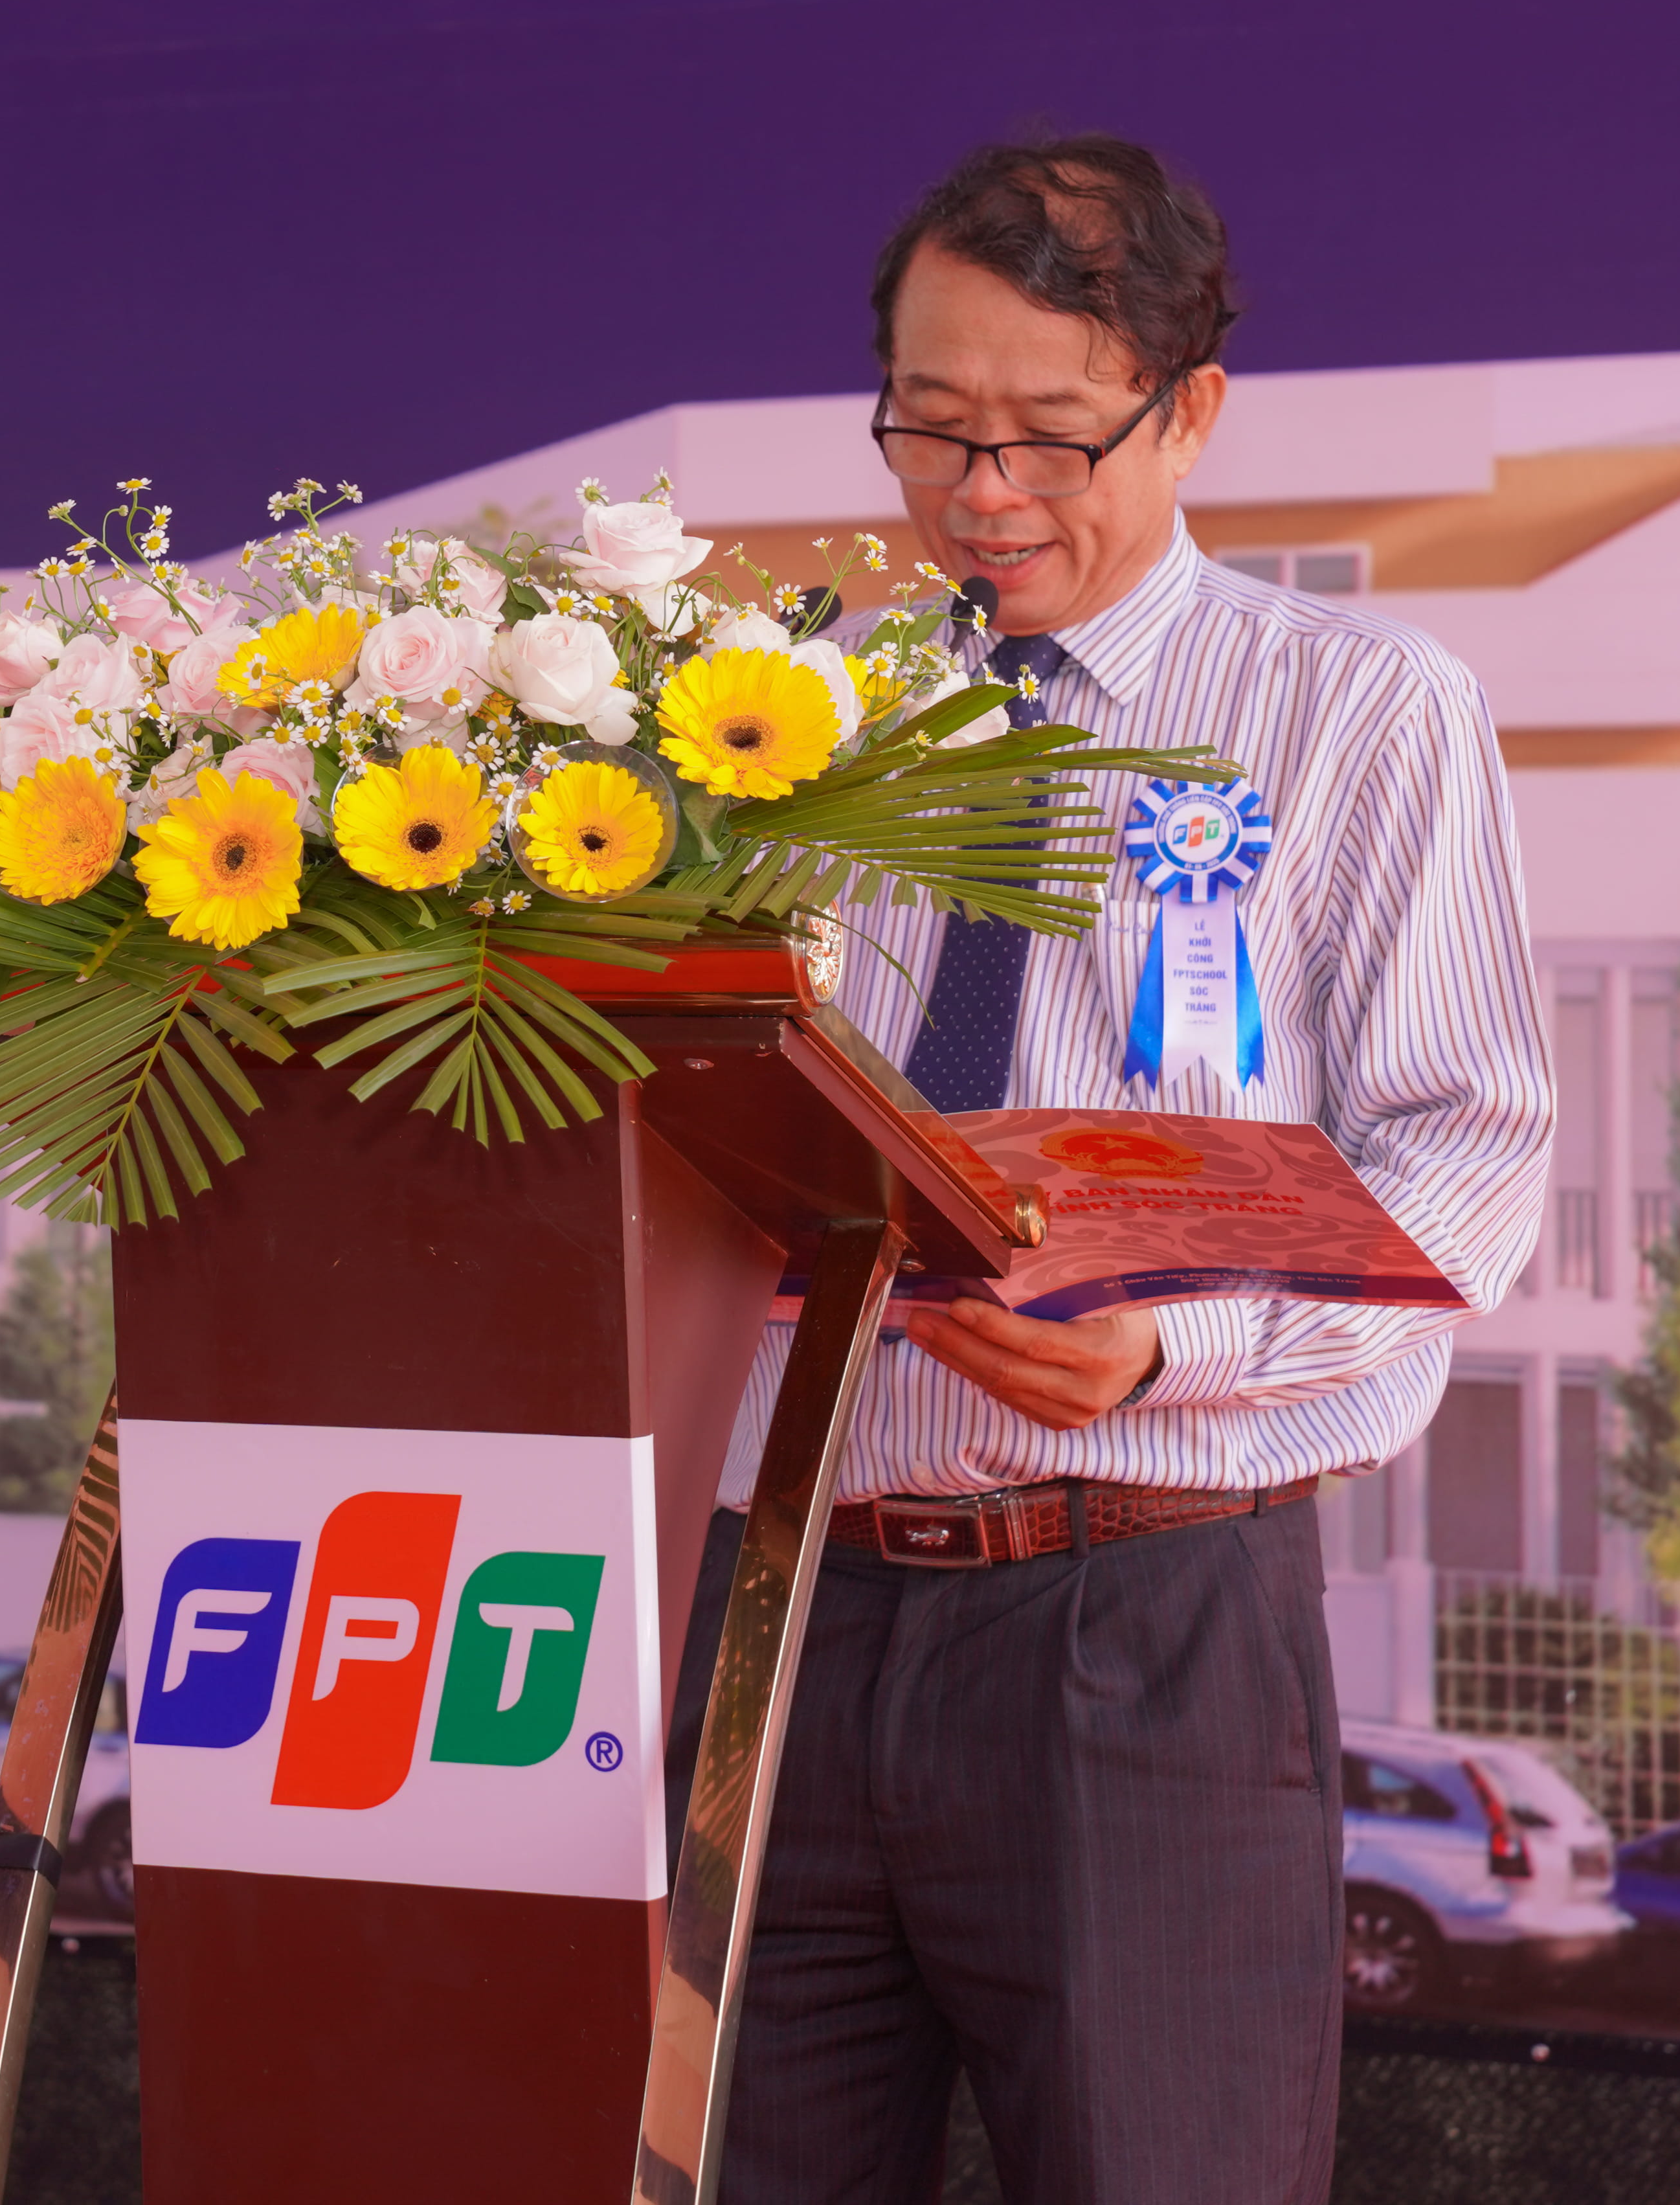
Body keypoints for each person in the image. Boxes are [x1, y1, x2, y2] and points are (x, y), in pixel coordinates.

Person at [666, 136, 1554, 2204]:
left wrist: (1172, 1346)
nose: (982, 497)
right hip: (772, 1606)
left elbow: (1466, 1152)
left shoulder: (1355, 713)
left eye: (1051, 437)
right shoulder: (786, 720)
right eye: (931, 429)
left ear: (1190, 413)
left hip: (1134, 1615)